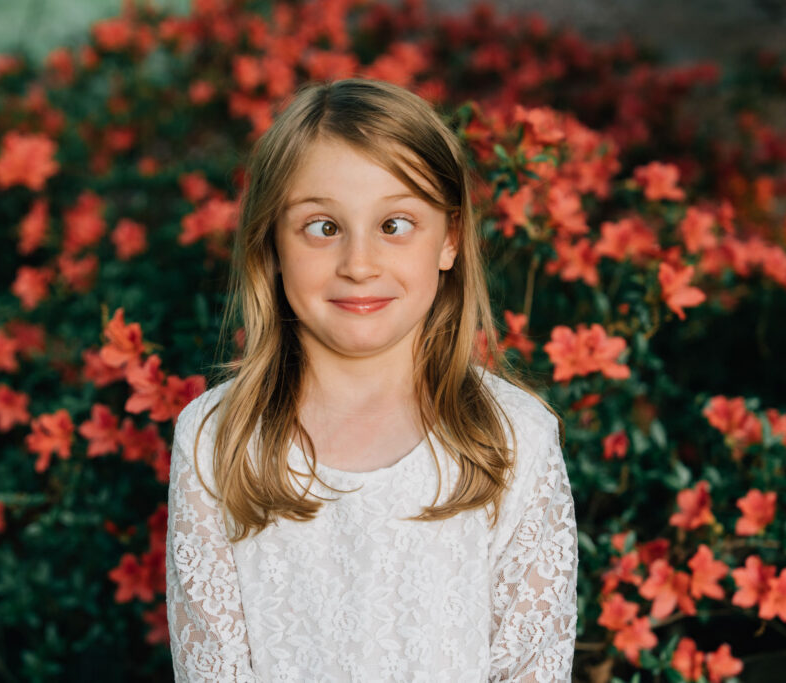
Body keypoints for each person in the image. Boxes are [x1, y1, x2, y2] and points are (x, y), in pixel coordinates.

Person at [165, 78, 578, 682]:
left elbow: (530, 669)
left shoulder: (515, 440)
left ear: (452, 238)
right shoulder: (214, 440)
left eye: (395, 224)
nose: (359, 264)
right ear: (273, 245)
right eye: (323, 227)